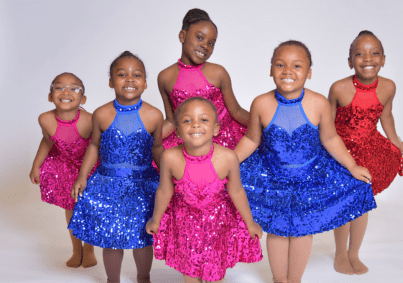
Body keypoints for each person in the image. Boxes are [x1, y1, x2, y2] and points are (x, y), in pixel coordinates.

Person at [235, 40, 377, 283]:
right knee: (278, 230)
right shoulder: (261, 103)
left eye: (297, 66)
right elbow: (251, 139)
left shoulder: (319, 103)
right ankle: (279, 279)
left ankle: (295, 279)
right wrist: (228, 163)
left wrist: (352, 166)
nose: (288, 70)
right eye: (280, 64)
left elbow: (331, 139)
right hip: (272, 175)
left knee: (302, 229)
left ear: (308, 73)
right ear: (271, 69)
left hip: (310, 174)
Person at [69, 51, 164, 283]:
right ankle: (113, 280)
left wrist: (168, 177)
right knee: (112, 237)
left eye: (137, 75)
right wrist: (83, 176)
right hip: (107, 184)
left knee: (142, 236)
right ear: (111, 82)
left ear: (145, 83)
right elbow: (94, 146)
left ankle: (144, 277)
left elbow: (158, 149)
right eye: (122, 74)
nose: (130, 79)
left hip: (143, 185)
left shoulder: (154, 115)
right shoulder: (101, 114)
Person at [146, 97, 263, 283]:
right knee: (189, 271)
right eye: (187, 120)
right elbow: (164, 191)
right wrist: (156, 220)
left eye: (204, 119)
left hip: (217, 224)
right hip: (184, 224)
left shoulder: (228, 157)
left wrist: (250, 223)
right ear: (177, 131)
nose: (195, 125)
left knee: (214, 273)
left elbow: (237, 191)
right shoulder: (169, 157)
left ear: (216, 128)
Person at [329, 30, 403, 275]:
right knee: (345, 202)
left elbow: (385, 115)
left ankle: (354, 253)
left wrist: (395, 142)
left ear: (383, 59)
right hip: (343, 151)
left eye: (375, 53)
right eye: (359, 54)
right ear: (350, 61)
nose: (367, 58)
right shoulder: (339, 88)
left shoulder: (388, 87)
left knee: (363, 203)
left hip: (370, 148)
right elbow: (327, 125)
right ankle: (341, 253)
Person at [29, 72, 98, 268]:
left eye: (73, 88)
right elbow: (47, 141)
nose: (66, 91)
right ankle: (76, 249)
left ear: (82, 98)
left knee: (90, 208)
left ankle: (89, 249)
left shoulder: (90, 119)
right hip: (65, 167)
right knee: (71, 207)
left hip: (89, 166)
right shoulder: (45, 119)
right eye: (58, 87)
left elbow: (98, 146)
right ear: (50, 96)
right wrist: (36, 166)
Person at [158, 8, 248, 150]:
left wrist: (262, 124)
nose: (205, 46)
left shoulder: (218, 72)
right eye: (199, 37)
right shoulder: (165, 77)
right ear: (182, 36)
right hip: (189, 140)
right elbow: (171, 120)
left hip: (224, 139)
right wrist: (146, 139)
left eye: (211, 43)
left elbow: (236, 111)